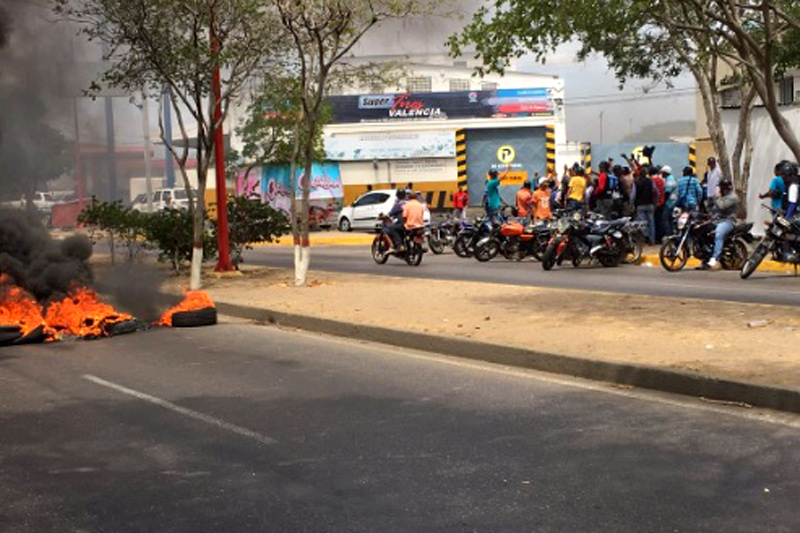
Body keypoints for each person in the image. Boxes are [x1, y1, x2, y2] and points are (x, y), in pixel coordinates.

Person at [705, 178, 739, 271]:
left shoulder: (733, 197)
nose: (720, 189)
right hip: (716, 220)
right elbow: (710, 206)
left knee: (718, 234)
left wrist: (717, 197)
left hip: (727, 221)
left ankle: (716, 259)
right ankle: (705, 257)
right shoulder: (721, 196)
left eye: (722, 187)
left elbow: (722, 206)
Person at [634, 167, 656, 244]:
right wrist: (655, 202)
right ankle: (652, 240)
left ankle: (644, 238)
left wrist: (632, 203)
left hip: (640, 204)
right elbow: (656, 192)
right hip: (650, 204)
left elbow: (633, 194)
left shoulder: (636, 182)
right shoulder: (650, 181)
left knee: (642, 223)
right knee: (651, 223)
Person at [651, 167, 666, 243]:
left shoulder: (652, 180)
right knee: (660, 220)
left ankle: (656, 238)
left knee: (655, 221)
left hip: (656, 203)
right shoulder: (661, 180)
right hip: (662, 202)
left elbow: (654, 192)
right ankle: (661, 237)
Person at [662, 166, 678, 237]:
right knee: (670, 218)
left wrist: (664, 201)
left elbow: (667, 192)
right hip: (673, 201)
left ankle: (668, 234)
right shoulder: (671, 178)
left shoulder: (669, 180)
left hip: (670, 202)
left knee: (665, 217)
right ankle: (672, 232)